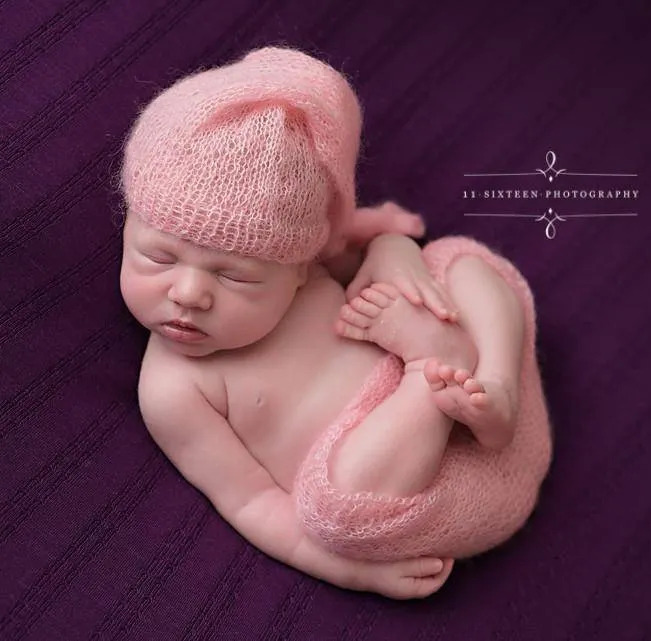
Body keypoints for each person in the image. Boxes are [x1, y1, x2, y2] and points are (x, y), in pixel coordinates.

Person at [119, 47, 552, 600]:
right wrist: (351, 572)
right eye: (157, 258)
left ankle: (497, 384)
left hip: (489, 431)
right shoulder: (172, 389)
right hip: (421, 488)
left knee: (458, 258)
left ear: (299, 269)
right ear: (128, 229)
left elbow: (388, 245)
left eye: (236, 278)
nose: (189, 294)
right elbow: (251, 501)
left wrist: (397, 253)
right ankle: (432, 371)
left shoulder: (315, 265)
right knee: (334, 513)